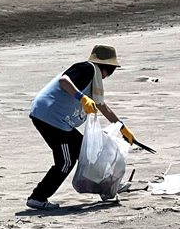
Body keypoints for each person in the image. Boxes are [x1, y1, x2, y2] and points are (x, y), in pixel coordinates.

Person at [27, 44, 136, 210]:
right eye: (111, 70)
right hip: (50, 117)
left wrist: (121, 127)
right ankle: (38, 197)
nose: (108, 76)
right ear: (107, 67)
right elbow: (64, 81)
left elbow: (102, 106)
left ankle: (108, 187)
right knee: (65, 161)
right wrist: (82, 98)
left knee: (88, 154)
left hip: (61, 121)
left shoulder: (94, 79)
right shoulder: (87, 68)